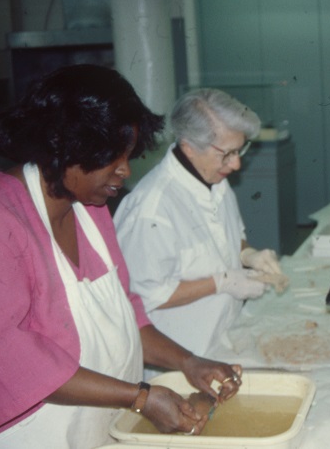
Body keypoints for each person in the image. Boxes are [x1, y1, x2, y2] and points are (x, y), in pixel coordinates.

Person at [0, 65, 246, 448]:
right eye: (111, 158)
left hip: (97, 423)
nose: (125, 172)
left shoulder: (90, 209)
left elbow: (127, 315)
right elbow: (12, 362)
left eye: (128, 156)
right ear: (62, 146)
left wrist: (187, 361)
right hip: (26, 435)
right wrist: (140, 397)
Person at [114, 88, 287, 371]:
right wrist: (222, 282)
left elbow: (230, 238)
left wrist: (249, 255)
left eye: (240, 149)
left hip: (219, 342)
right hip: (177, 363)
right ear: (189, 146)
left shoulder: (215, 180)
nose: (236, 163)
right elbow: (147, 296)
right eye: (228, 153)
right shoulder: (153, 209)